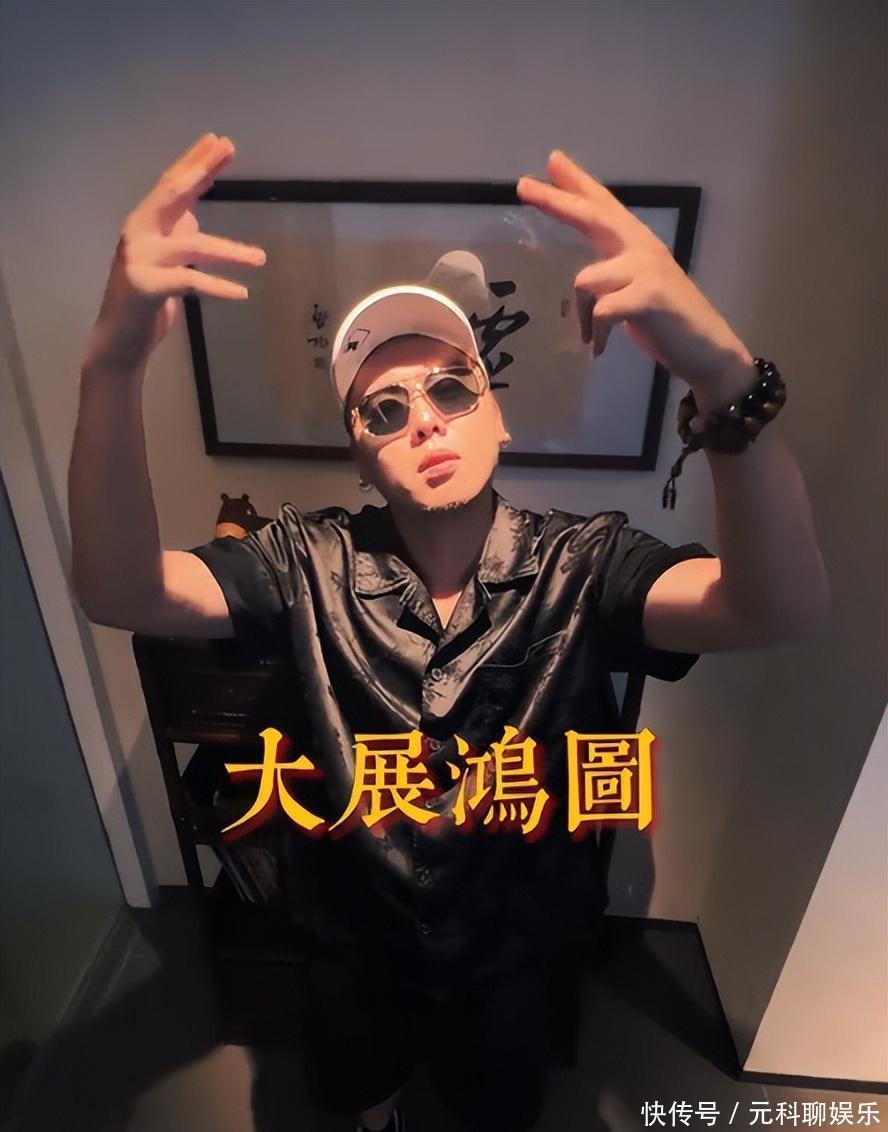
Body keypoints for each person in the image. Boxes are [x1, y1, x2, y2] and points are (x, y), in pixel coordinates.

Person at [68, 133, 830, 1132]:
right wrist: (112, 364)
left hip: (515, 961)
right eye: (383, 409)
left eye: (451, 389)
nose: (424, 419)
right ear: (361, 457)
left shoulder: (584, 561)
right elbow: (123, 589)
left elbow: (778, 606)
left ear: (496, 415)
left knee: (493, 1109)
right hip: (354, 951)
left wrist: (724, 375)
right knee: (362, 1097)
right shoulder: (302, 559)